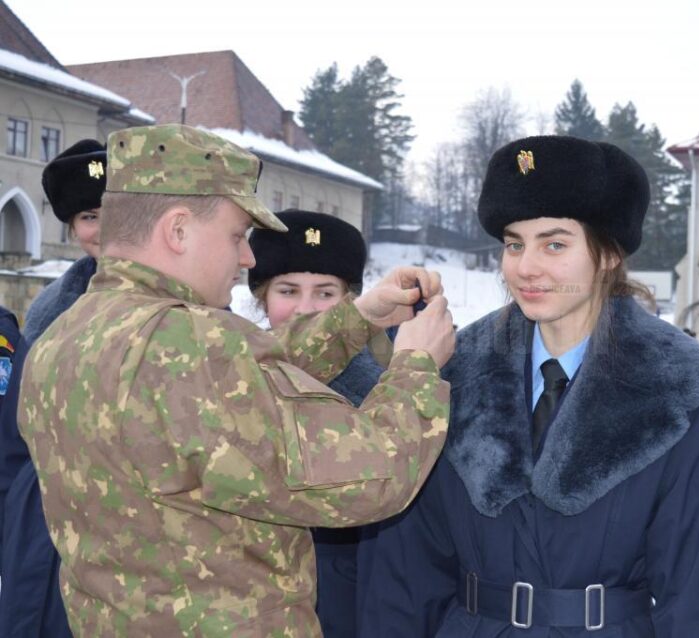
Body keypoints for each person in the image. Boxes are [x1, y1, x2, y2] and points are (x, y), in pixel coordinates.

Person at [17, 124, 455, 637]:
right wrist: (417, 366)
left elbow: (233, 386)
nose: (247, 257)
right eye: (236, 235)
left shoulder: (66, 333)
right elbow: (371, 477)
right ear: (178, 230)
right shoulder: (195, 344)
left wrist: (359, 318)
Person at [358, 135, 699, 636]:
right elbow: (404, 574)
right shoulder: (451, 372)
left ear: (608, 253)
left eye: (555, 244)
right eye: (514, 244)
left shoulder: (679, 389)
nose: (525, 267)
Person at [247, 209, 383, 638]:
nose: (306, 309)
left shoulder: (387, 391)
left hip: (357, 592)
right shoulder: (230, 378)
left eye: (325, 293)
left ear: (351, 301)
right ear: (262, 297)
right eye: (288, 290)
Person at [0, 139, 106, 638]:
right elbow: (16, 439)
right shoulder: (48, 309)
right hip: (38, 529)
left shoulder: (193, 312)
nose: (104, 230)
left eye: (117, 212)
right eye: (89, 216)